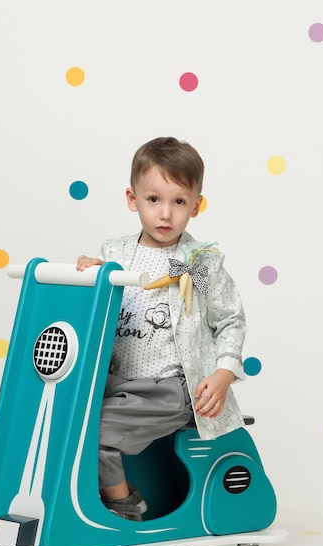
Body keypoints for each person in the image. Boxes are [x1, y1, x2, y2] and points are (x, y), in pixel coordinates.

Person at [76, 137, 246, 521]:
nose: (166, 214)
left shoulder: (196, 263)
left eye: (179, 202)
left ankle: (124, 506)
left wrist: (223, 374)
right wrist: (93, 269)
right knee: (71, 422)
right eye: (154, 200)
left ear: (197, 206)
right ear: (132, 199)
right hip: (118, 380)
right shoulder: (117, 253)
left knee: (94, 435)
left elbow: (228, 318)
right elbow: (100, 299)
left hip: (169, 387)